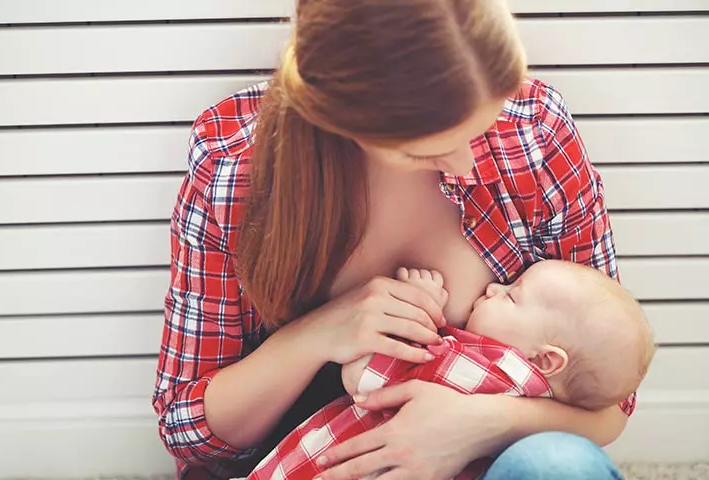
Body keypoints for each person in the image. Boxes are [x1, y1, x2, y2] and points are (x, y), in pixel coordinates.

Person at [152, 0, 634, 478]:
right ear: (344, 121)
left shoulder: (534, 132)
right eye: (428, 151)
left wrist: (478, 424)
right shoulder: (236, 164)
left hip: (488, 459)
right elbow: (189, 431)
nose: (467, 164)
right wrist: (322, 332)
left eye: (482, 126)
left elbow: (608, 399)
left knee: (559, 466)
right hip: (317, 460)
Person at [246, 263, 656, 480]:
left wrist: (418, 311)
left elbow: (362, 377)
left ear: (545, 359)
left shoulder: (480, 369)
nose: (494, 288)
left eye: (512, 297)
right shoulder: (540, 398)